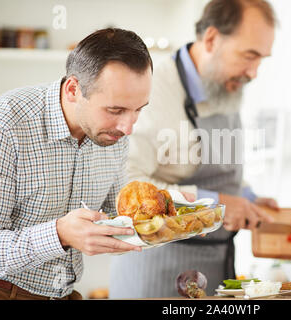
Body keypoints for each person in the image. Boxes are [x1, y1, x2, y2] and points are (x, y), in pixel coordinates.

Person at [110, 0, 279, 298]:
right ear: (212, 39)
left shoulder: (224, 83)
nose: (254, 72)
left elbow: (218, 163)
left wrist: (246, 197)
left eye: (262, 59)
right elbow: (126, 185)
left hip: (214, 264)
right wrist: (213, 202)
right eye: (249, 56)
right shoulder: (153, 89)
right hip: (159, 270)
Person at [0, 28, 153, 300]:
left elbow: (118, 218)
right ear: (74, 89)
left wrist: (177, 218)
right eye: (115, 110)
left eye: (138, 109)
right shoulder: (2, 127)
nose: (128, 127)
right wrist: (59, 234)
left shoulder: (114, 134)